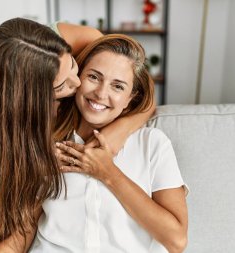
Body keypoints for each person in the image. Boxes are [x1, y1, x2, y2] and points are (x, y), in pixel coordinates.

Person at [0, 18, 156, 252]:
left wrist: (116, 134)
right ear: (32, 97)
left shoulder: (83, 38)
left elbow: (144, 93)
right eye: (62, 85)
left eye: (75, 66)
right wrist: (39, 158)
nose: (78, 83)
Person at [30, 34, 189, 253]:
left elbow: (176, 240)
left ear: (130, 99)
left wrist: (108, 173)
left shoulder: (152, 145)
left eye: (118, 86)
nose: (101, 93)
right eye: (94, 77)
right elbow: (21, 231)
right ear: (78, 77)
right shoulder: (48, 141)